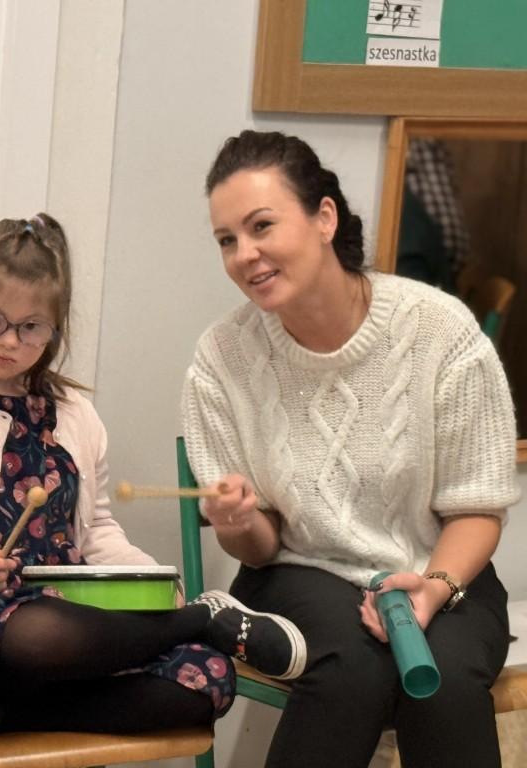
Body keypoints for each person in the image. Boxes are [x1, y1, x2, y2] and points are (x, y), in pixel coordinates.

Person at [183, 129, 520, 768]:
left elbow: (477, 509)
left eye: (261, 226)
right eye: (227, 240)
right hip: (299, 570)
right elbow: (261, 546)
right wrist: (237, 521)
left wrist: (433, 588)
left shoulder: (440, 331)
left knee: (443, 680)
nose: (245, 255)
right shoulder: (221, 359)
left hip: (442, 568)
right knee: (353, 670)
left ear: (324, 218)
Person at [0, 213, 306, 740]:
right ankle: (203, 620)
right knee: (39, 633)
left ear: (56, 327)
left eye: (31, 327)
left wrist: (153, 582)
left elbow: (95, 532)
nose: (8, 341)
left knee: (208, 678)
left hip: (82, 628)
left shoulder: (73, 413)